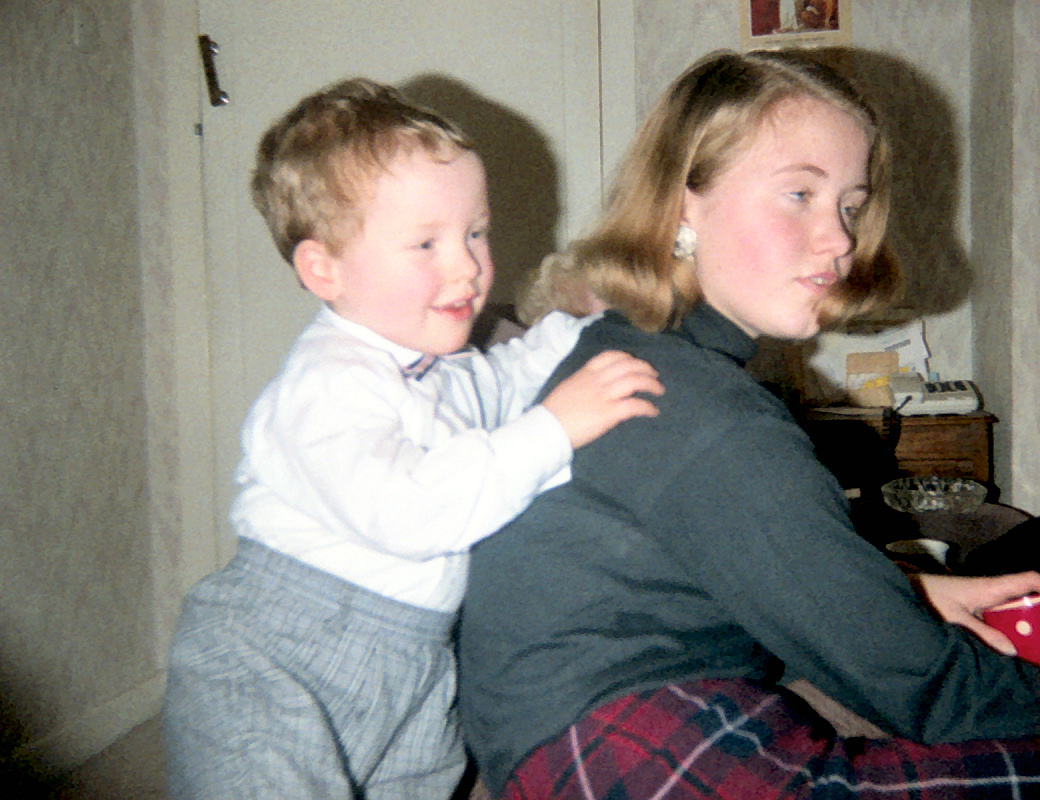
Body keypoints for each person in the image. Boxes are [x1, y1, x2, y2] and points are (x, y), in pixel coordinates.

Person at [458, 48, 1040, 799]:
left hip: (554, 734)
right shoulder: (711, 418)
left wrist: (902, 595)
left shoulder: (626, 348)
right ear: (682, 204)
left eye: (850, 206)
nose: (840, 239)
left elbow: (735, 572)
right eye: (799, 193)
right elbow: (922, 688)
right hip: (627, 747)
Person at [161, 78, 664, 800]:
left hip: (414, 654)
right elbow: (411, 512)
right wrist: (554, 429)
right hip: (283, 654)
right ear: (323, 269)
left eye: (475, 233)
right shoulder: (326, 385)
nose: (467, 266)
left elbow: (509, 376)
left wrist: (587, 326)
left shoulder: (444, 370)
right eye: (426, 243)